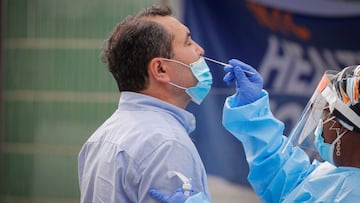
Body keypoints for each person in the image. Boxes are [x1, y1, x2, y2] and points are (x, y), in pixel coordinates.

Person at [150, 61, 360, 202]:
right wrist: (253, 114)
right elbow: (289, 180)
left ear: (345, 127)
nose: (321, 124)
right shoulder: (339, 175)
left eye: (325, 114)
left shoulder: (351, 193)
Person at [77, 5, 212, 203]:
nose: (200, 50)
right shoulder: (167, 144)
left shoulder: (101, 137)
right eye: (188, 42)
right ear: (160, 68)